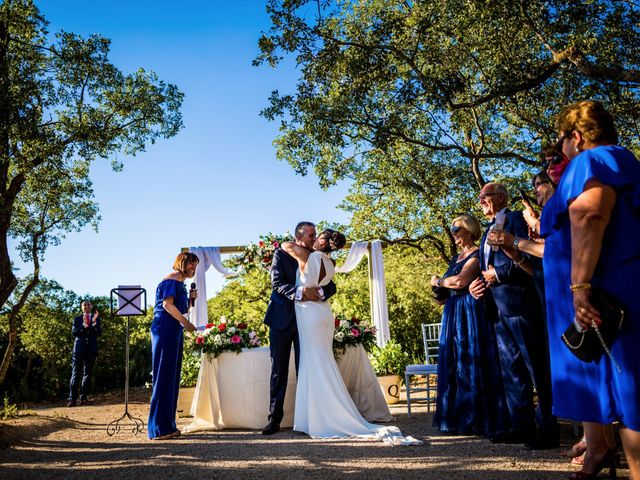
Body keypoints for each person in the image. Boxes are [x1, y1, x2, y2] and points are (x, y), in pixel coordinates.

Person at [540, 100, 640, 479]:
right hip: (617, 285)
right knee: (626, 389)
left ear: (576, 137)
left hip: (611, 289)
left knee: (632, 392)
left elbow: (590, 213)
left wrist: (580, 285)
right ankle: (604, 451)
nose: (561, 147)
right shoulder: (624, 159)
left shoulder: (590, 161)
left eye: (561, 139)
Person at [281, 229, 421, 445]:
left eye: (317, 235)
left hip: (310, 314)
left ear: (322, 241)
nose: (314, 237)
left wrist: (305, 244)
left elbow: (285, 245)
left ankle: (323, 418)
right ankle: (311, 418)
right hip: (323, 313)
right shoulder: (331, 262)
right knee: (318, 359)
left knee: (315, 361)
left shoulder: (308, 256)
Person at [469, 182, 557, 449]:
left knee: (537, 368)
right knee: (512, 371)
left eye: (484, 197)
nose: (480, 201)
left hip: (521, 305)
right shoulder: (485, 232)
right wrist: (477, 284)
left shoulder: (517, 219)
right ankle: (521, 425)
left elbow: (532, 261)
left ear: (500, 197)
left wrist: (499, 274)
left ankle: (548, 429)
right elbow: (484, 267)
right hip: (496, 308)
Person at [430, 214, 509, 437]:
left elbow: (460, 282)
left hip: (469, 312)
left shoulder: (475, 255)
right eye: (453, 230)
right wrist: (440, 290)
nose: (454, 233)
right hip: (452, 312)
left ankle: (475, 418)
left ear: (469, 230)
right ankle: (456, 417)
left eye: (457, 229)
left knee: (469, 359)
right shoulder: (455, 257)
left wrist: (437, 281)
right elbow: (447, 291)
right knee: (454, 361)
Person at [261, 221, 337, 436]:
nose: (315, 239)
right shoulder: (282, 254)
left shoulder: (321, 257)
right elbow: (277, 283)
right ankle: (274, 419)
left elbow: (331, 285)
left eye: (316, 235)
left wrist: (319, 294)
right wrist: (301, 292)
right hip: (281, 320)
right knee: (279, 370)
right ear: (299, 237)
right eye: (311, 235)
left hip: (309, 321)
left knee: (306, 368)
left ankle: (309, 418)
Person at [147, 252, 198, 440]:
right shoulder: (173, 278)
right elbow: (167, 306)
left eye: (196, 266)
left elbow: (181, 307)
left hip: (173, 330)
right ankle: (158, 429)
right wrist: (186, 323)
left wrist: (191, 300)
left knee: (172, 377)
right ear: (183, 263)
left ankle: (168, 426)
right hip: (164, 329)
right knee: (163, 376)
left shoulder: (181, 283)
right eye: (192, 264)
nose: (194, 268)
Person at [67, 300, 101, 407]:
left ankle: (83, 398)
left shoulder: (96, 319)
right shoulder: (77, 319)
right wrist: (84, 325)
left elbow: (99, 333)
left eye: (88, 305)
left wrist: (94, 322)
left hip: (91, 349)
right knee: (75, 373)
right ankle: (72, 399)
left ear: (91, 306)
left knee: (87, 374)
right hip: (79, 350)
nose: (86, 306)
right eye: (84, 305)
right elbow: (75, 333)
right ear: (82, 307)